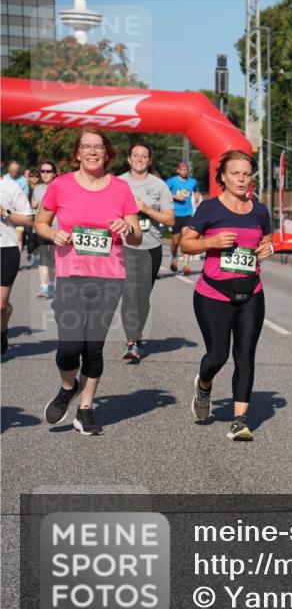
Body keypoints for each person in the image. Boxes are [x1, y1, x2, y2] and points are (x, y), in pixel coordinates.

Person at [34, 128, 142, 435]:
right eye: (86, 147)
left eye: (98, 147)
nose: (93, 152)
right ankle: (69, 387)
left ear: (107, 154)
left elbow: (136, 237)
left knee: (93, 347)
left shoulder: (120, 188)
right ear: (78, 154)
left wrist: (126, 228)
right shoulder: (61, 185)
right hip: (71, 274)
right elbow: (40, 222)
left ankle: (85, 409)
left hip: (109, 277)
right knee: (69, 347)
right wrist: (53, 232)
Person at [182, 150, 273, 442]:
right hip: (212, 294)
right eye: (235, 173)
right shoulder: (210, 208)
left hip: (251, 293)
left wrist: (268, 249)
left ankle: (239, 420)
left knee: (245, 355)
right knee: (218, 355)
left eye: (246, 174)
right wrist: (211, 242)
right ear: (222, 176)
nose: (242, 179)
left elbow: (267, 240)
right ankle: (204, 384)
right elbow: (186, 244)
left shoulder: (260, 210)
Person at [119, 142, 175, 361]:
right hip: (124, 246)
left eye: (144, 156)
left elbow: (170, 219)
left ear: (149, 160)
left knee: (142, 296)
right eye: (136, 155)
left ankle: (137, 333)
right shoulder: (118, 182)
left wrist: (146, 209)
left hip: (150, 247)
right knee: (130, 294)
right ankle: (132, 340)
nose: (140, 159)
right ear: (129, 158)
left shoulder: (159, 186)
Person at [1, 168, 35, 356]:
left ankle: (2, 330)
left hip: (5, 248)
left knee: (1, 305)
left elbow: (29, 220)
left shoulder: (10, 187)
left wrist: (4, 212)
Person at [166, 161, 201, 275]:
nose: (184, 171)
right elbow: (164, 192)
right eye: (182, 169)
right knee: (175, 241)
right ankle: (174, 258)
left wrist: (196, 200)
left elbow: (196, 190)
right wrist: (176, 197)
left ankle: (186, 265)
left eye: (186, 169)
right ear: (178, 170)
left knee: (186, 238)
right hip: (175, 214)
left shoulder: (192, 182)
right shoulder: (172, 181)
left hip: (187, 213)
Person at [32, 161, 57, 299]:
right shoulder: (38, 188)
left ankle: (51, 285)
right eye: (43, 171)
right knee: (42, 258)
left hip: (56, 229)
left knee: (53, 260)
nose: (45, 174)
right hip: (40, 229)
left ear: (54, 173)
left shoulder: (60, 187)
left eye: (48, 171)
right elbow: (35, 207)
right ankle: (44, 288)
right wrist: (34, 205)